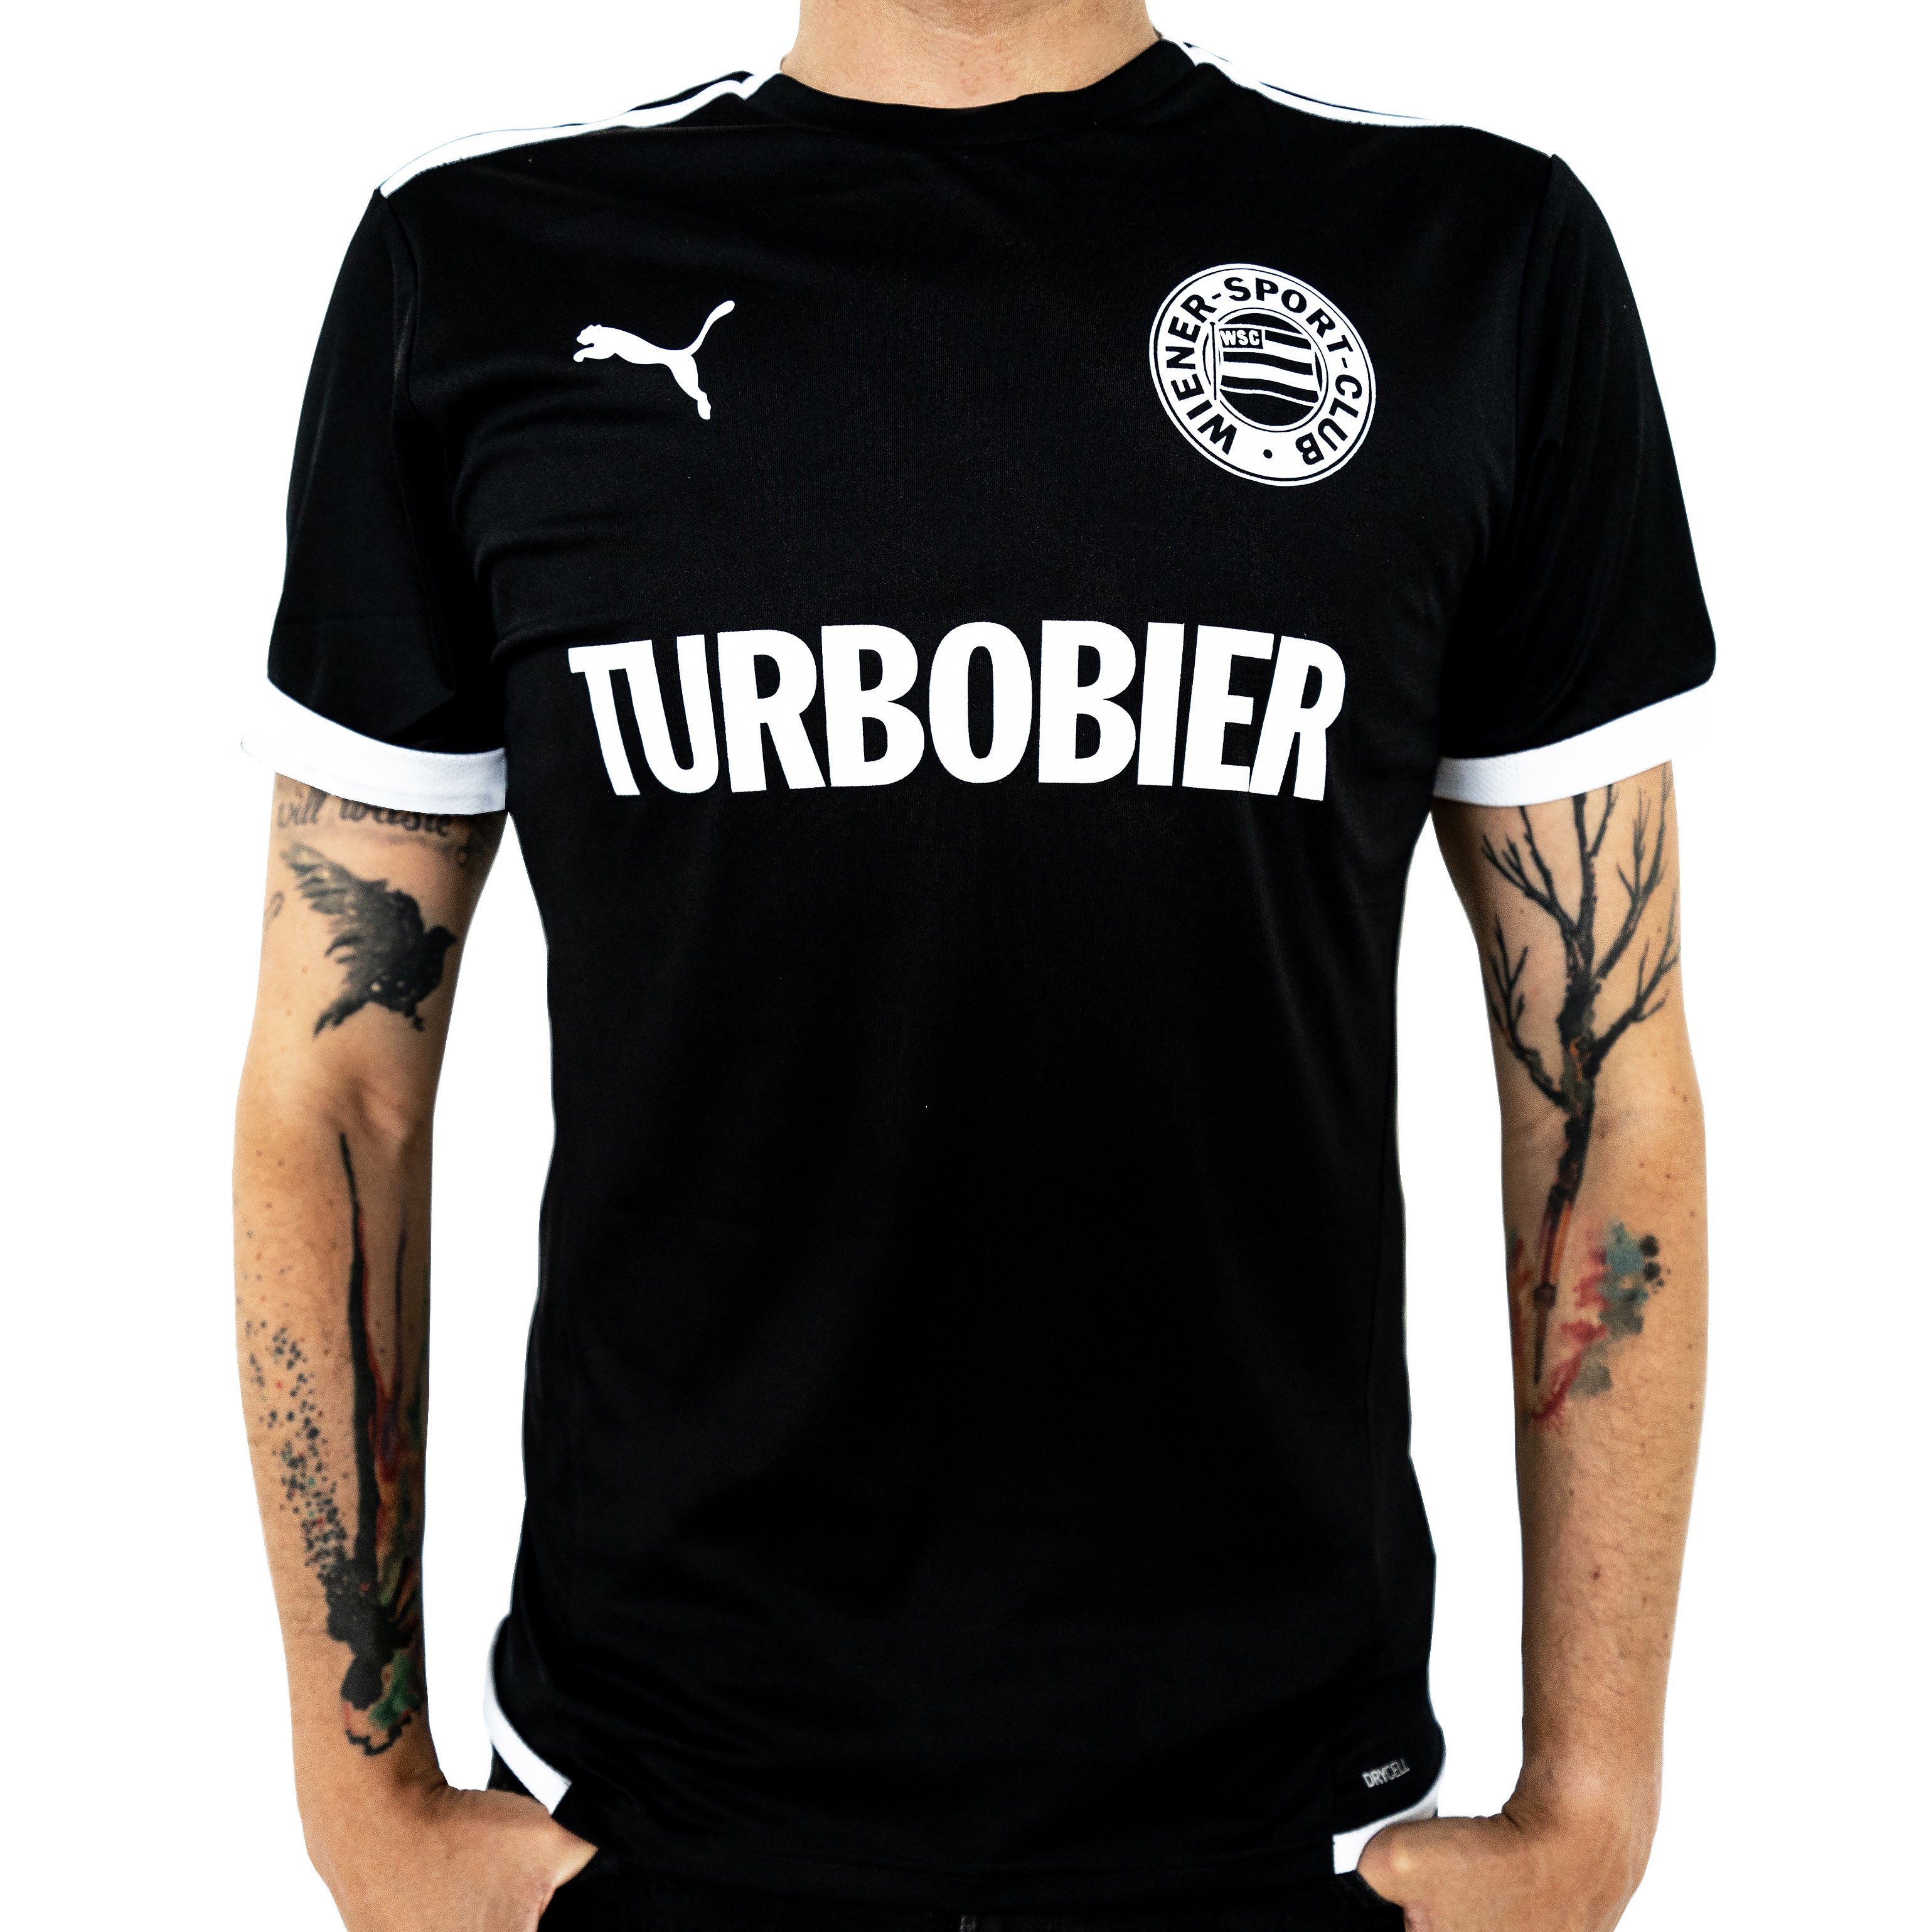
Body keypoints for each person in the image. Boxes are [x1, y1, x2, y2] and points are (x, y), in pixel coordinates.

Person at [233, 3, 1711, 1928]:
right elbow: (336, 1080)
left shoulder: (1465, 256)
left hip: (1282, 1829)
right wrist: (360, 1795)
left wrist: (1593, 1802)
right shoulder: (484, 260)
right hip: (648, 1815)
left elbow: (1600, 1062)